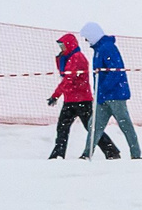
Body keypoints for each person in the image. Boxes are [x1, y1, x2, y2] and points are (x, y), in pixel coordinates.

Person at [47, 32, 119, 160]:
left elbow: (68, 79)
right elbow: (66, 77)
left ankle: (111, 151)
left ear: (69, 45)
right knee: (62, 128)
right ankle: (58, 154)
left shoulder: (77, 58)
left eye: (63, 46)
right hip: (70, 99)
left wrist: (56, 95)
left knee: (91, 128)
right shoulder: (68, 57)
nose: (61, 49)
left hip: (82, 100)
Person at [79, 22, 142, 160]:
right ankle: (86, 154)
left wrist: (103, 88)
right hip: (103, 97)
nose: (86, 40)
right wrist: (100, 93)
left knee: (124, 124)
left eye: (87, 37)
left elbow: (116, 71)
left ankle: (136, 155)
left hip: (115, 95)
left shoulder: (108, 48)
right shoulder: (98, 50)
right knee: (94, 125)